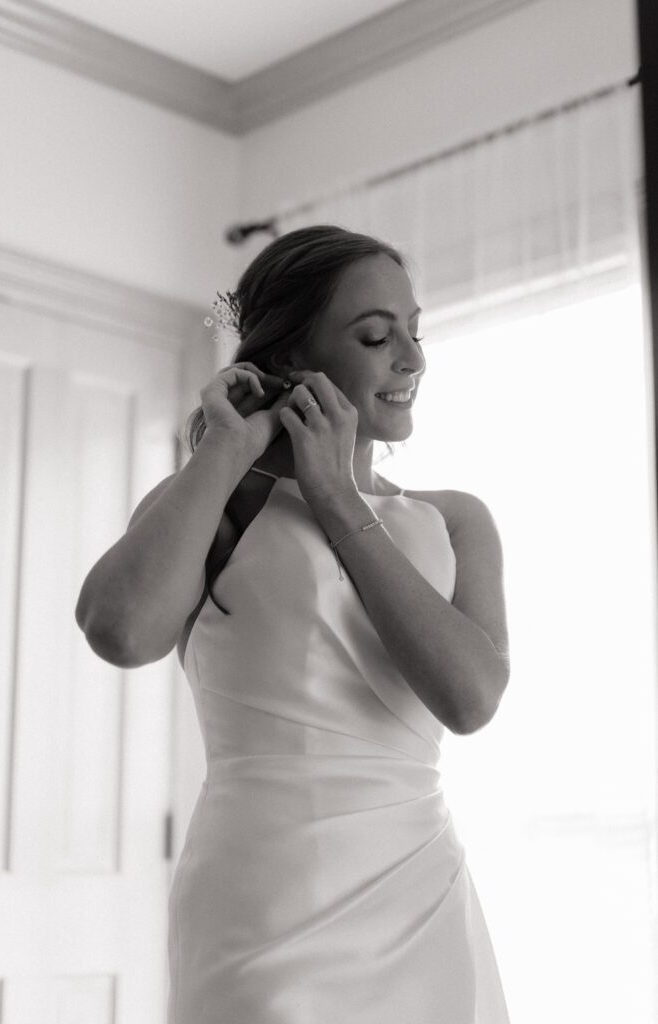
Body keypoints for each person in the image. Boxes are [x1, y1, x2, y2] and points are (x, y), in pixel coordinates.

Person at [75, 224, 511, 1023]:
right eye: (377, 336)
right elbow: (119, 631)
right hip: (262, 899)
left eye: (414, 333)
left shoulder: (455, 522)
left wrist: (339, 501)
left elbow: (470, 699)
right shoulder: (216, 504)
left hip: (420, 891)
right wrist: (223, 451)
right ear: (288, 361)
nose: (411, 360)